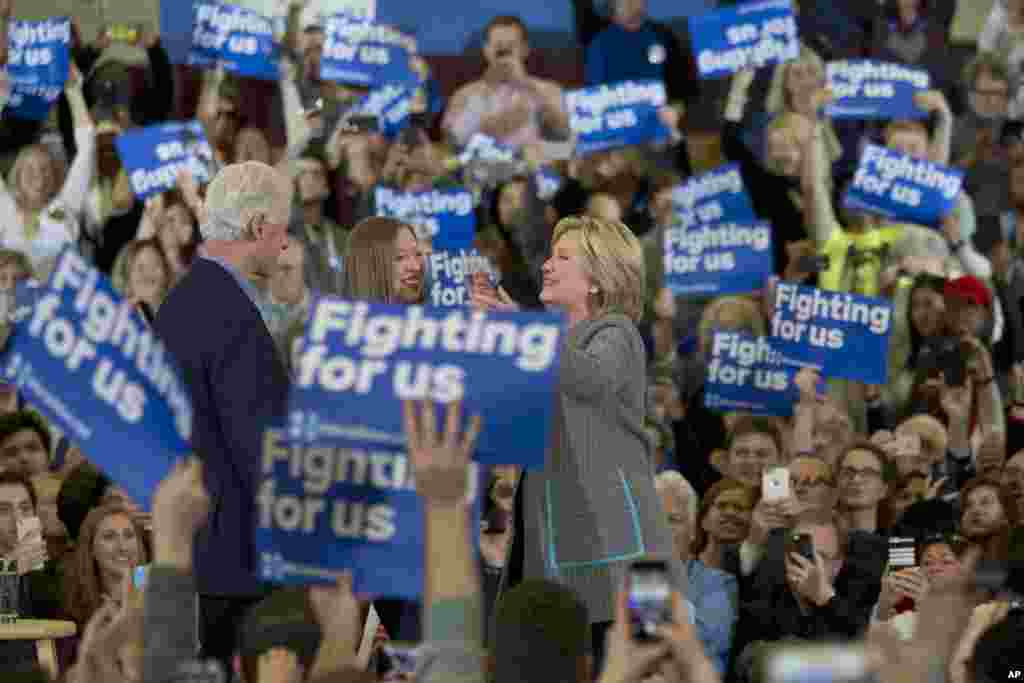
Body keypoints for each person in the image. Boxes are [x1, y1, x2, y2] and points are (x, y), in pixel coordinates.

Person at [471, 215, 682, 665]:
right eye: (550, 255)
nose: (547, 265)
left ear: (598, 280)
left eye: (563, 258)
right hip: (552, 548)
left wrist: (522, 331)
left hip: (627, 551)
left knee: (648, 667)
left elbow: (591, 380)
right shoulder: (548, 343)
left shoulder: (617, 333)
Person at [153, 161, 293, 668]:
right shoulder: (229, 313)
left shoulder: (184, 299)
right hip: (236, 568)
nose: (285, 244)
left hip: (197, 555)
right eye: (284, 228)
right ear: (259, 227)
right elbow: (264, 450)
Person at [442, 15, 570, 156]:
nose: (504, 54)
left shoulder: (549, 90)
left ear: (525, 49)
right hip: (481, 170)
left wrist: (527, 86)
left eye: (510, 47)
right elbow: (451, 144)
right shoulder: (465, 94)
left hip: (532, 169)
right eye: (498, 48)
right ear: (486, 50)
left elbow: (564, 135)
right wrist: (483, 93)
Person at [61, 504, 148, 628]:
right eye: (109, 537)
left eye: (129, 536)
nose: (122, 547)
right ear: (91, 548)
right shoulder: (74, 607)